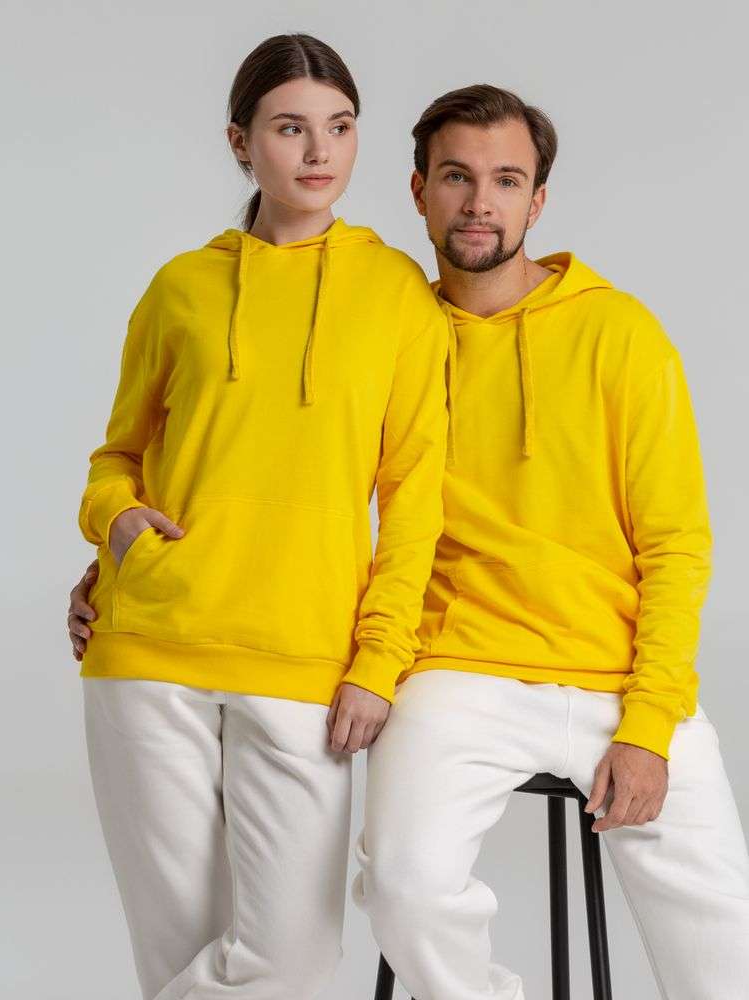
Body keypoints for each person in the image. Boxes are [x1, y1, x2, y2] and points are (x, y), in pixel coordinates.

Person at [68, 33, 449, 1000]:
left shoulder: (398, 295)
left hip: (306, 661)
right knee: (176, 952)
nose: (319, 152)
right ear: (241, 143)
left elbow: (414, 498)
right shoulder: (182, 288)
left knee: (291, 960)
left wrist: (378, 660)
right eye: (290, 128)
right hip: (151, 653)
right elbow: (117, 457)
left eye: (340, 127)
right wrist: (116, 523)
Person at [350, 85, 749, 1000]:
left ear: (538, 201)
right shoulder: (393, 341)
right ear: (418, 190)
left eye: (505, 181)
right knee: (405, 889)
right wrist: (125, 563)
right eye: (457, 177)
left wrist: (650, 725)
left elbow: (676, 547)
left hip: (619, 674)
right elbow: (287, 480)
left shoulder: (621, 333)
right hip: (458, 666)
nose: (479, 202)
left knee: (729, 957)